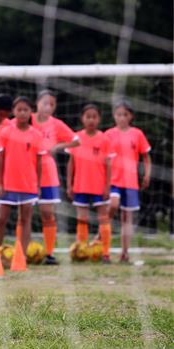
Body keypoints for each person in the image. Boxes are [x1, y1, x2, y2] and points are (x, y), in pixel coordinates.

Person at [30, 90, 79, 265]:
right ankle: (24, 251)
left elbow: (76, 140)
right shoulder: (28, 119)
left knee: (47, 213)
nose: (48, 107)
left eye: (52, 104)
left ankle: (49, 253)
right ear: (37, 103)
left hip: (48, 173)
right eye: (45, 103)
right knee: (24, 212)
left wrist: (58, 147)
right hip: (27, 171)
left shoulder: (56, 124)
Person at [0, 96, 45, 251]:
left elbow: (40, 162)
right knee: (2, 218)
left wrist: (39, 184)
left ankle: (22, 255)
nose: (22, 113)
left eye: (26, 110)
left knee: (25, 220)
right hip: (8, 184)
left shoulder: (36, 135)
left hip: (28, 184)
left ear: (31, 112)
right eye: (19, 109)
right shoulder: (6, 132)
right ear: (13, 111)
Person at [66, 103, 115, 263]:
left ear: (99, 119)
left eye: (94, 116)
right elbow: (71, 163)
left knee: (103, 218)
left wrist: (108, 185)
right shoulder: (76, 138)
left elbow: (109, 164)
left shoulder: (105, 139)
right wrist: (69, 184)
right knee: (82, 218)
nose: (91, 120)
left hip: (99, 186)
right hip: (80, 185)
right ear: (82, 118)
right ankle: (82, 251)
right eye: (88, 116)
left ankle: (106, 253)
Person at [104, 100, 151, 263]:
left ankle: (125, 253)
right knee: (113, 205)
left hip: (130, 182)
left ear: (130, 116)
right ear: (114, 116)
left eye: (125, 114)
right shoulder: (109, 134)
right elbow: (103, 157)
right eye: (118, 114)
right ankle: (101, 238)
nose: (122, 118)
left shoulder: (137, 134)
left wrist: (147, 174)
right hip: (113, 180)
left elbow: (146, 156)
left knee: (127, 217)